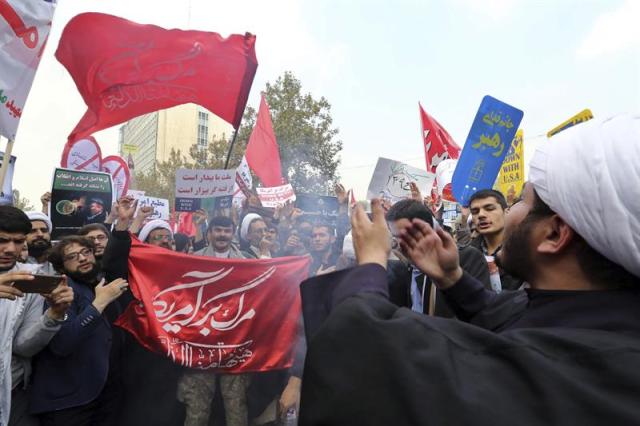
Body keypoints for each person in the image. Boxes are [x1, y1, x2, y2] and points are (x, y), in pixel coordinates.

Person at [298, 114, 640, 425]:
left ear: (553, 233)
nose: (510, 212)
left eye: (522, 201)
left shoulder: (558, 372)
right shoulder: (596, 318)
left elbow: (361, 351)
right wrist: (453, 279)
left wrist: (370, 260)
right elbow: (509, 313)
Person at [30, 237, 128, 425]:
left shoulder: (100, 284)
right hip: (71, 401)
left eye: (86, 252)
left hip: (105, 393)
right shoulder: (61, 292)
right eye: (72, 256)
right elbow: (62, 344)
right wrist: (98, 304)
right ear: (61, 268)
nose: (82, 258)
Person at [0, 206, 73, 426]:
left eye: (19, 241)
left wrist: (54, 315)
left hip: (11, 392)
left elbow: (23, 346)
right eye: (2, 240)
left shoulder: (29, 277)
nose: (10, 249)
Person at [177, 216, 250, 426]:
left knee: (236, 407)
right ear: (209, 233)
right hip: (201, 342)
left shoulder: (248, 263)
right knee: (196, 409)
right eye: (218, 230)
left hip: (235, 343)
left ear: (233, 233)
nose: (222, 235)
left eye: (227, 231)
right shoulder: (194, 260)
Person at [385, 199, 490, 317]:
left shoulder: (467, 258)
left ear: (426, 228)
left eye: (405, 236)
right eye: (395, 237)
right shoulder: (405, 268)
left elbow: (482, 313)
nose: (400, 244)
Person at [467, 189, 522, 290]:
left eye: (489, 209)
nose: (481, 215)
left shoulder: (525, 250)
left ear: (506, 212)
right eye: (475, 212)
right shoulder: (468, 256)